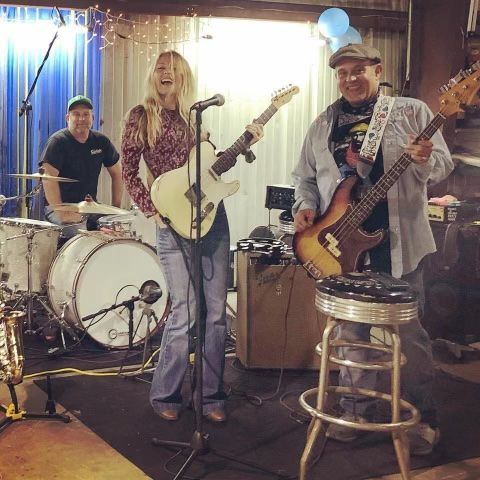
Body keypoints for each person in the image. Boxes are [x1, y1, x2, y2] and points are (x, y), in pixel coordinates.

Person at [292, 44, 453, 455]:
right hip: (340, 246)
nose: (349, 79)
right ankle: (355, 409)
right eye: (342, 72)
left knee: (411, 338)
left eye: (358, 70)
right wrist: (305, 206)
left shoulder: (411, 111)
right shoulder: (324, 122)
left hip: (399, 245)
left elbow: (442, 168)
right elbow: (305, 178)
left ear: (378, 70)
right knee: (349, 334)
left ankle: (422, 417)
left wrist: (423, 159)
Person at [121, 50, 263, 422]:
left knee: (215, 314)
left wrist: (246, 140)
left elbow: (207, 175)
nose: (165, 73)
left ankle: (211, 395)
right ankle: (166, 395)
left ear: (184, 76)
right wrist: (151, 209)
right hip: (171, 224)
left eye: (173, 68)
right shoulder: (141, 116)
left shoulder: (195, 119)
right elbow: (129, 171)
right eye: (160, 68)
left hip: (211, 221)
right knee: (184, 312)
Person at [40, 95, 123, 237]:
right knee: (79, 235)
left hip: (90, 207)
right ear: (67, 118)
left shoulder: (101, 141)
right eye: (76, 114)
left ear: (93, 118)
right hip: (59, 208)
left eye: (86, 114)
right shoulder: (57, 142)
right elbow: (48, 179)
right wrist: (62, 213)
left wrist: (115, 210)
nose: (81, 119)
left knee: (116, 234)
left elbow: (117, 173)